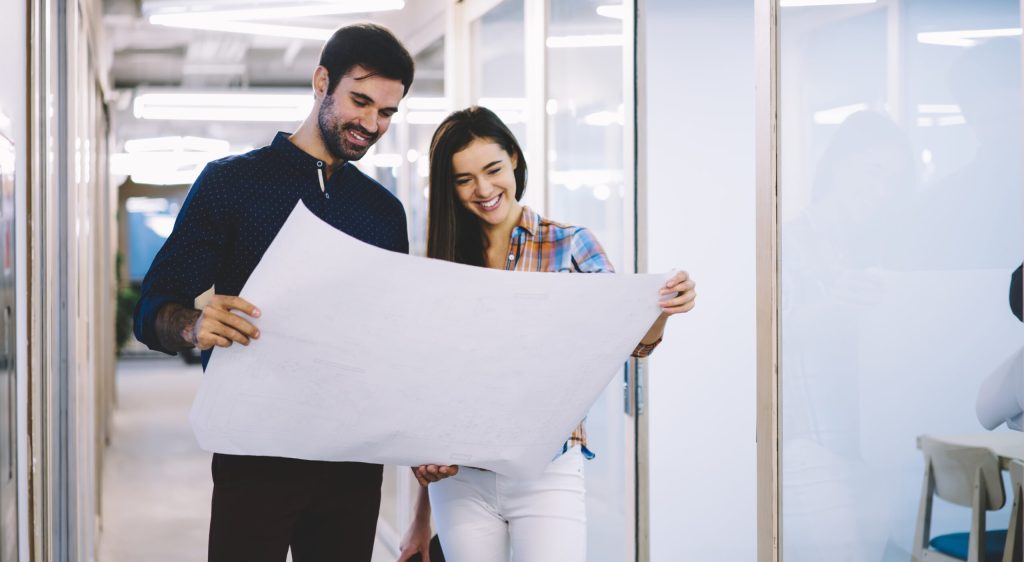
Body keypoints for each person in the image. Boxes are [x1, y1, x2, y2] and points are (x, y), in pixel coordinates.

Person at [133, 24, 414, 562]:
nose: (371, 124)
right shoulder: (231, 184)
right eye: (360, 101)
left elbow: (391, 334)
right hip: (254, 448)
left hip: (350, 454)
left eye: (386, 113)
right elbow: (152, 309)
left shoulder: (384, 212)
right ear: (321, 81)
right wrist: (192, 325)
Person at [396, 106, 697, 562]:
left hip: (547, 471)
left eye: (493, 169)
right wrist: (419, 518)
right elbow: (432, 387)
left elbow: (630, 341)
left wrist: (663, 309)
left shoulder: (570, 245)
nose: (483, 190)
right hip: (460, 481)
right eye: (463, 179)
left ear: (514, 159)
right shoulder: (442, 262)